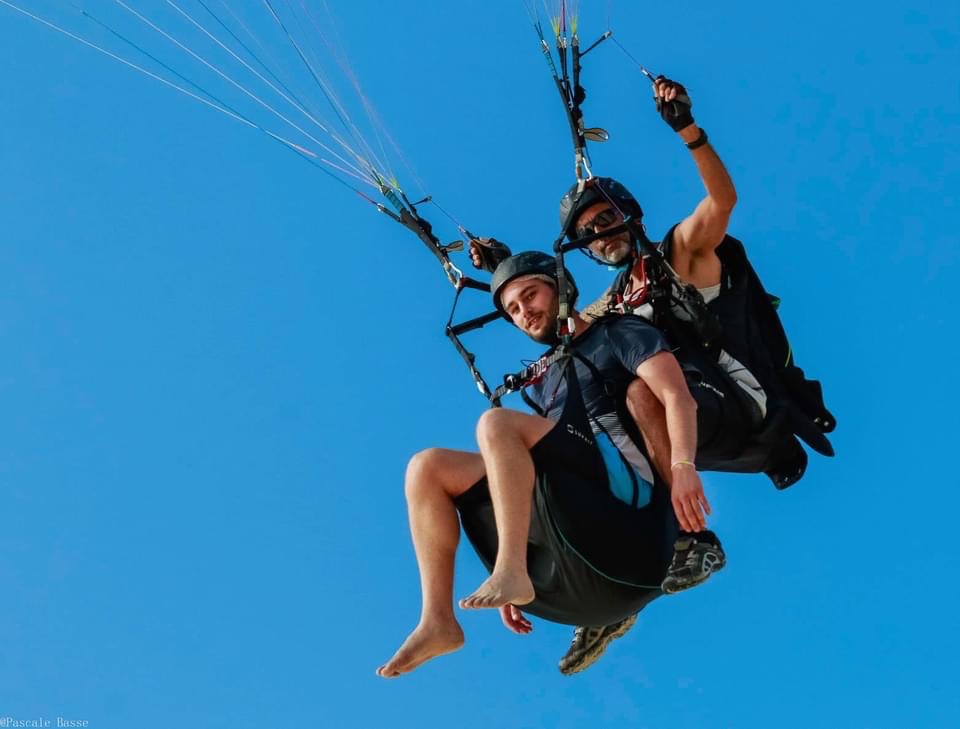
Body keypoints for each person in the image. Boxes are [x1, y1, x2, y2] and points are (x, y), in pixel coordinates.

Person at [470, 75, 835, 675]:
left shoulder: (679, 255)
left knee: (639, 388)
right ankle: (626, 566)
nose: (599, 234)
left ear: (628, 215)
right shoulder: (608, 306)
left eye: (606, 220)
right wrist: (505, 265)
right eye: (586, 233)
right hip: (681, 417)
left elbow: (721, 204)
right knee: (577, 411)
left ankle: (688, 541)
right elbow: (550, 319)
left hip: (739, 403)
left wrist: (688, 131)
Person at [377, 252, 707, 679]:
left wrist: (683, 466)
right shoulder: (545, 380)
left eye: (529, 296)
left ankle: (511, 569)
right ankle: (439, 620)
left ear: (562, 289)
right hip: (575, 542)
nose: (523, 313)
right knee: (426, 467)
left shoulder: (620, 333)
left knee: (496, 423)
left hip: (632, 507)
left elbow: (677, 397)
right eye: (513, 310)